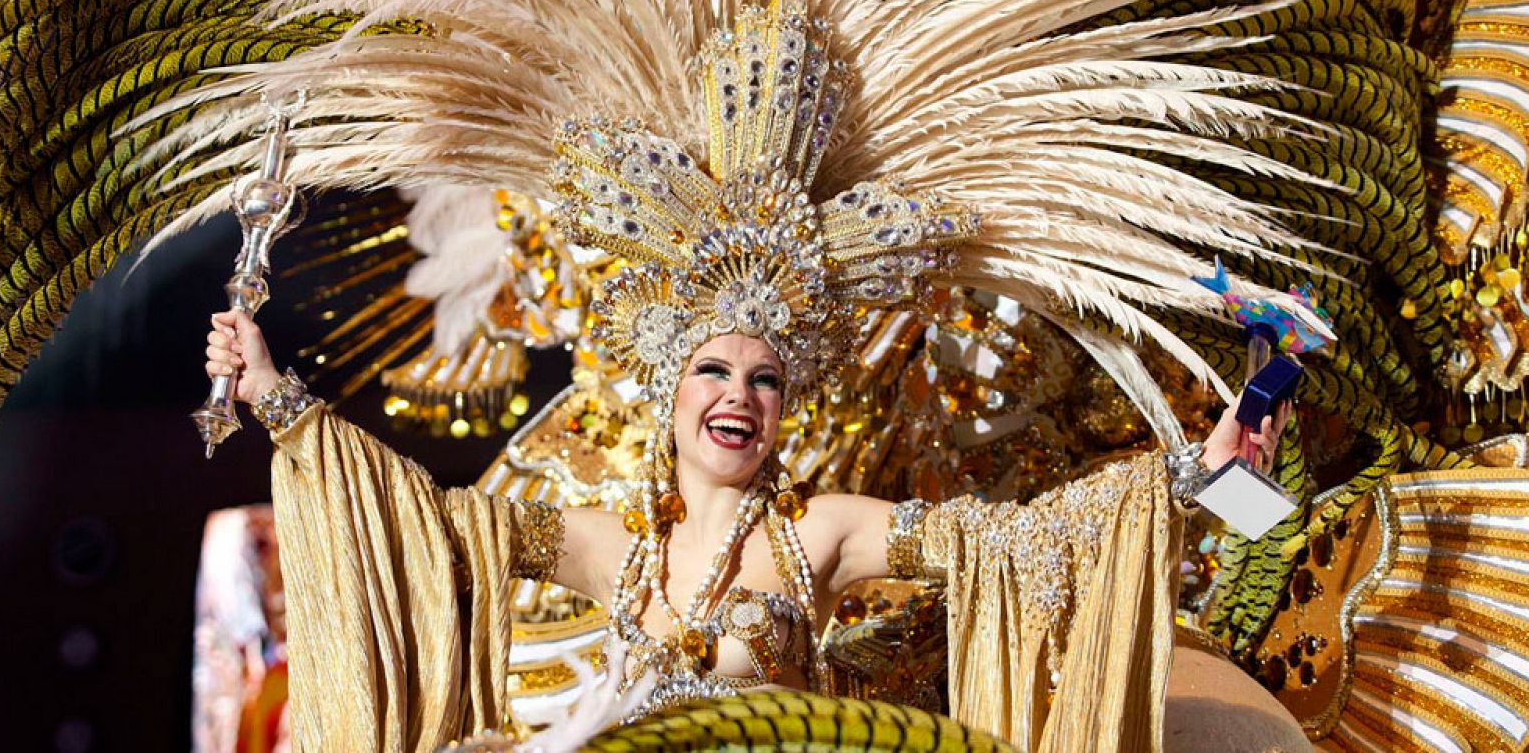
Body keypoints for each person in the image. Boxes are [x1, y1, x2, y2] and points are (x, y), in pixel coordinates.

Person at [206, 302, 1286, 750]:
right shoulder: (608, 546)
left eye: (766, 379)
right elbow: (421, 524)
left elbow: (1012, 545)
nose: (741, 393)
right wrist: (281, 401)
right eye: (714, 369)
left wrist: (1196, 474)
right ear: (672, 396)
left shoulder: (820, 533)